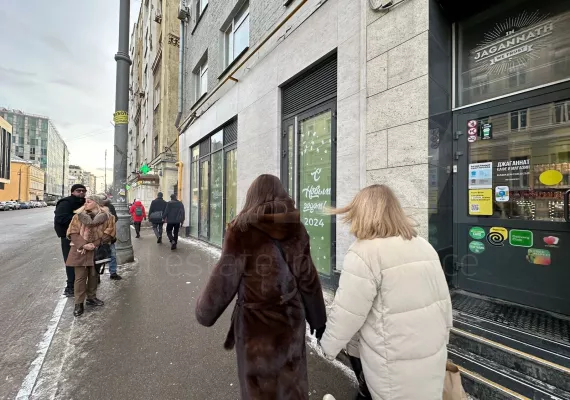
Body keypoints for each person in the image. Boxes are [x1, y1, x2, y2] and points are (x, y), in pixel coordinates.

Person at [195, 174, 327, 400]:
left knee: (260, 390)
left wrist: (205, 312)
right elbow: (308, 278)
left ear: (252, 197)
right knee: (291, 385)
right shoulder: (295, 228)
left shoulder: (241, 230)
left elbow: (224, 279)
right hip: (290, 322)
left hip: (256, 329)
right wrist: (318, 318)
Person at [319, 185, 453, 400]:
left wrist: (327, 346)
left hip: (391, 357)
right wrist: (443, 336)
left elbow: (348, 312)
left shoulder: (364, 252)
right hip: (430, 349)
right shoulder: (424, 246)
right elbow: (443, 300)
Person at [66, 195, 116, 317]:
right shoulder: (78, 216)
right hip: (80, 250)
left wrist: (94, 244)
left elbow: (109, 233)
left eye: (90, 201)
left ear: (97, 203)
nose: (86, 202)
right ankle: (78, 303)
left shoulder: (109, 217)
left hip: (97, 250)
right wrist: (83, 245)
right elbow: (72, 232)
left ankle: (91, 298)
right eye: (86, 201)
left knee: (94, 275)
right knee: (80, 277)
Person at [54, 184, 87, 297]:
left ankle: (80, 284)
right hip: (68, 237)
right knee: (70, 261)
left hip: (83, 236)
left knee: (83, 261)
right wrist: (80, 219)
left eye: (83, 191)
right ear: (72, 192)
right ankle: (70, 286)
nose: (81, 193)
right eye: (79, 191)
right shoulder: (66, 203)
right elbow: (61, 218)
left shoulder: (85, 202)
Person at [97, 194, 122, 280]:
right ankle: (96, 275)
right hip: (96, 237)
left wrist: (108, 232)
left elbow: (115, 219)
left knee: (112, 255)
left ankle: (113, 272)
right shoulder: (93, 207)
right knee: (98, 256)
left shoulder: (110, 206)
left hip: (109, 236)